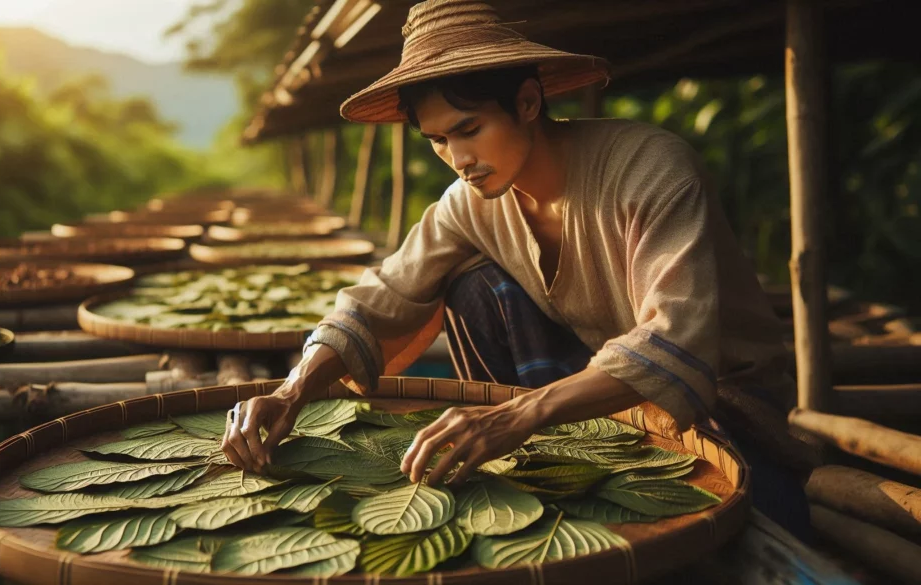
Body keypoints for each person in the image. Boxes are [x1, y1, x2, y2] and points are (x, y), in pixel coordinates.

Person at [222, 0, 817, 538]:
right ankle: (538, 465)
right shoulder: (468, 204)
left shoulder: (650, 169)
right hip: (592, 391)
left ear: (528, 102)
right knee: (473, 286)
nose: (459, 160)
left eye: (469, 130)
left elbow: (674, 338)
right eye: (436, 141)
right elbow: (382, 295)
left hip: (721, 401)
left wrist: (519, 413)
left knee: (750, 521)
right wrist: (291, 391)